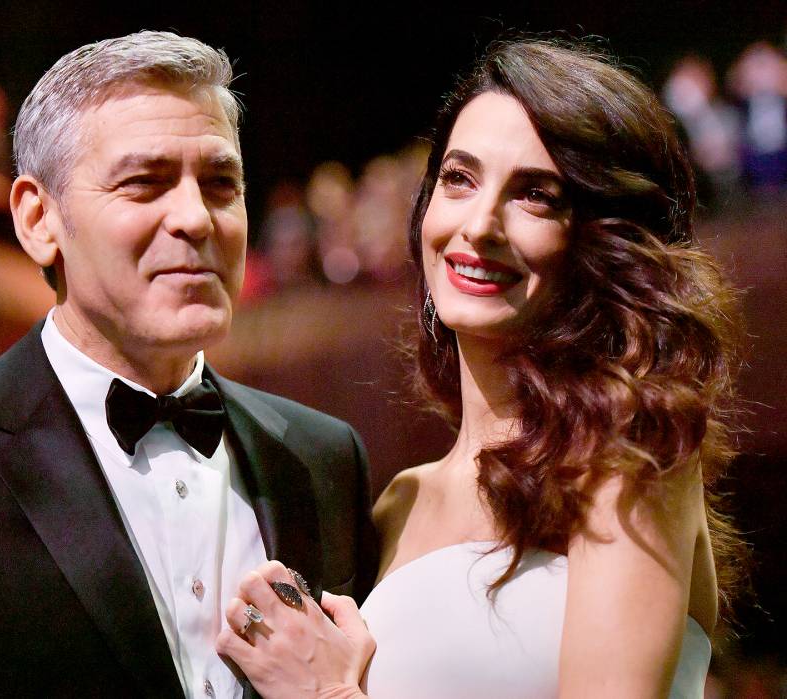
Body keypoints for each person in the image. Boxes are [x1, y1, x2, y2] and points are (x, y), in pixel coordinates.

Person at [0, 31, 377, 698]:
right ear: (39, 219)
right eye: (144, 182)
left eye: (221, 183)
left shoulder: (327, 459)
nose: (195, 217)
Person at [216, 39, 745, 698]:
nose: (480, 224)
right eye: (460, 178)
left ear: (601, 241)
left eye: (536, 195)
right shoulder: (395, 507)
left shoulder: (628, 453)